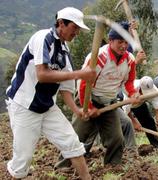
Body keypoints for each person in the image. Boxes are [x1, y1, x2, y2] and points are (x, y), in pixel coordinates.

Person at [5, 7, 95, 179]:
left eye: (78, 29)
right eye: (74, 27)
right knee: (22, 162)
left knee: (72, 144)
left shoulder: (64, 51)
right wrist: (80, 74)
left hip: (47, 107)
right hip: (24, 105)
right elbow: (43, 74)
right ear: (61, 23)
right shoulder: (42, 38)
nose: (76, 32)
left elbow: (66, 88)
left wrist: (77, 111)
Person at [62, 21, 145, 167]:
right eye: (120, 42)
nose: (124, 46)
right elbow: (83, 84)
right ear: (111, 40)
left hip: (109, 102)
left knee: (116, 138)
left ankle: (112, 168)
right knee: (78, 137)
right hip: (88, 97)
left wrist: (133, 93)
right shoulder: (99, 58)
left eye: (126, 42)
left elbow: (129, 82)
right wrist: (88, 106)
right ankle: (63, 167)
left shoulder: (130, 60)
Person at [123, 76, 158, 149]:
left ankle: (157, 147)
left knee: (149, 122)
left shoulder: (155, 92)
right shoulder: (130, 89)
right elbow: (126, 111)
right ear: (140, 88)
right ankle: (127, 149)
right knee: (126, 125)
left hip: (139, 104)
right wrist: (134, 122)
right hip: (124, 103)